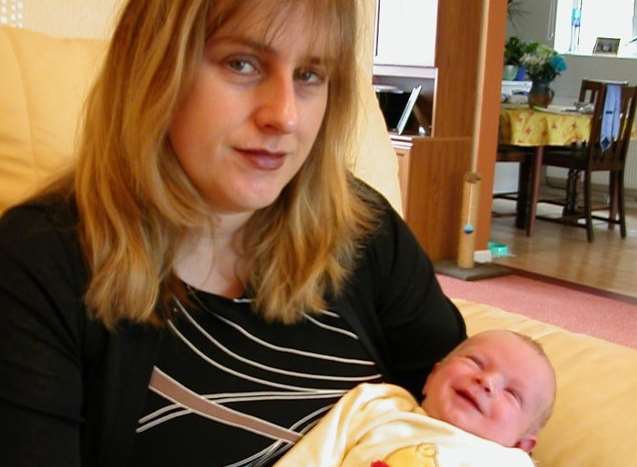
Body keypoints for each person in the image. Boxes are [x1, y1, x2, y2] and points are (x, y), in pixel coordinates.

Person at [0, 1, 466, 466]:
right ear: (154, 69)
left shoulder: (362, 228)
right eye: (241, 64)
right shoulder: (37, 265)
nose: (283, 116)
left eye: (308, 75)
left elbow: (477, 424)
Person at [274, 330, 557, 467]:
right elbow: (314, 456)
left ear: (522, 444)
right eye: (475, 362)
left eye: (512, 393)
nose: (487, 382)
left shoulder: (508, 462)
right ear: (433, 375)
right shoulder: (380, 405)